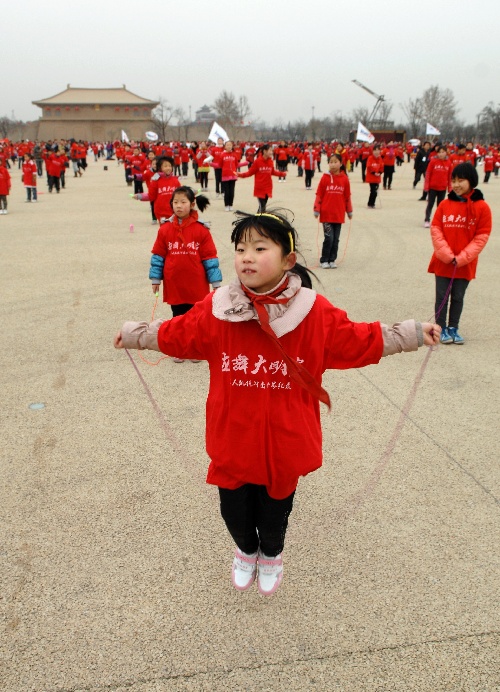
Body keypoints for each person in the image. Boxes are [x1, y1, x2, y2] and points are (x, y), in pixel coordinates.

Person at [114, 209, 440, 596]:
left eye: (259, 247)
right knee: (233, 512)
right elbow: (176, 333)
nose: (246, 256)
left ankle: (271, 553)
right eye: (240, 248)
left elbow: (359, 338)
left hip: (285, 441)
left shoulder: (314, 312)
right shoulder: (217, 308)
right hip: (233, 437)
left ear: (288, 259)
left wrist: (413, 333)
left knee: (273, 517)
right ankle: (245, 550)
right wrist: (134, 333)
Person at [149, 185, 222, 359]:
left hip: (196, 282)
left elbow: (210, 258)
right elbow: (158, 256)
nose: (179, 206)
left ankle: (195, 348)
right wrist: (155, 279)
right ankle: (179, 349)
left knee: (196, 317)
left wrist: (216, 283)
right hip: (174, 282)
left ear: (192, 204)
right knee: (177, 317)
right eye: (175, 202)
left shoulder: (201, 230)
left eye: (183, 202)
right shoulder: (165, 229)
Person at [428, 163, 492, 345]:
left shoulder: (482, 207)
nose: (456, 185)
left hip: (465, 263)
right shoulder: (444, 204)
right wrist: (446, 254)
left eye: (460, 180)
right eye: (453, 180)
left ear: (471, 181)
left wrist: (463, 257)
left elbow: (482, 236)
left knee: (457, 296)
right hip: (443, 261)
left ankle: (453, 327)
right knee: (442, 296)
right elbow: (436, 229)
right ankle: (439, 328)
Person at [313, 154, 353, 268]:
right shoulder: (325, 178)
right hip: (326, 215)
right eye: (331, 162)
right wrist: (316, 209)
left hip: (338, 215)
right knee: (329, 238)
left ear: (341, 163)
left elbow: (347, 197)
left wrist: (349, 211)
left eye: (335, 162)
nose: (333, 164)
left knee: (336, 239)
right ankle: (324, 259)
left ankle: (332, 259)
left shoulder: (345, 179)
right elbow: (319, 194)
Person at [237, 144, 286, 212]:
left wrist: (282, 174)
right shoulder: (257, 161)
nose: (271, 152)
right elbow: (249, 173)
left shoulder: (270, 161)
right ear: (265, 151)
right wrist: (240, 175)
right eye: (270, 150)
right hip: (260, 187)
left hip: (268, 187)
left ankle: (257, 220)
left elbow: (272, 172)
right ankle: (260, 221)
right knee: (262, 207)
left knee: (263, 206)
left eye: (272, 151)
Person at [136, 156, 181, 223]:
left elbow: (180, 194)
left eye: (170, 166)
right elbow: (151, 196)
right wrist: (140, 196)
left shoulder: (175, 180)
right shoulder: (155, 180)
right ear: (160, 168)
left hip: (174, 211)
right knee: (164, 230)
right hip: (161, 211)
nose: (168, 168)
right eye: (165, 166)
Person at [423, 146, 452, 228]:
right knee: (430, 204)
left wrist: (450, 188)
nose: (441, 154)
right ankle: (427, 220)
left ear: (446, 152)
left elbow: (450, 176)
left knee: (440, 206)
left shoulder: (449, 163)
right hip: (432, 188)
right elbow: (428, 174)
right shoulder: (433, 162)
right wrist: (426, 186)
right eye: (439, 152)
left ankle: (439, 221)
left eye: (443, 152)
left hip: (442, 188)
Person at [219, 140, 239, 211]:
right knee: (226, 191)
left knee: (232, 191)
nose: (229, 146)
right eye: (227, 145)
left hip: (233, 175)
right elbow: (220, 164)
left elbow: (236, 164)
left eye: (230, 145)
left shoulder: (234, 155)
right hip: (225, 175)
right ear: (225, 146)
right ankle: (226, 205)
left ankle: (231, 204)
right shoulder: (222, 155)